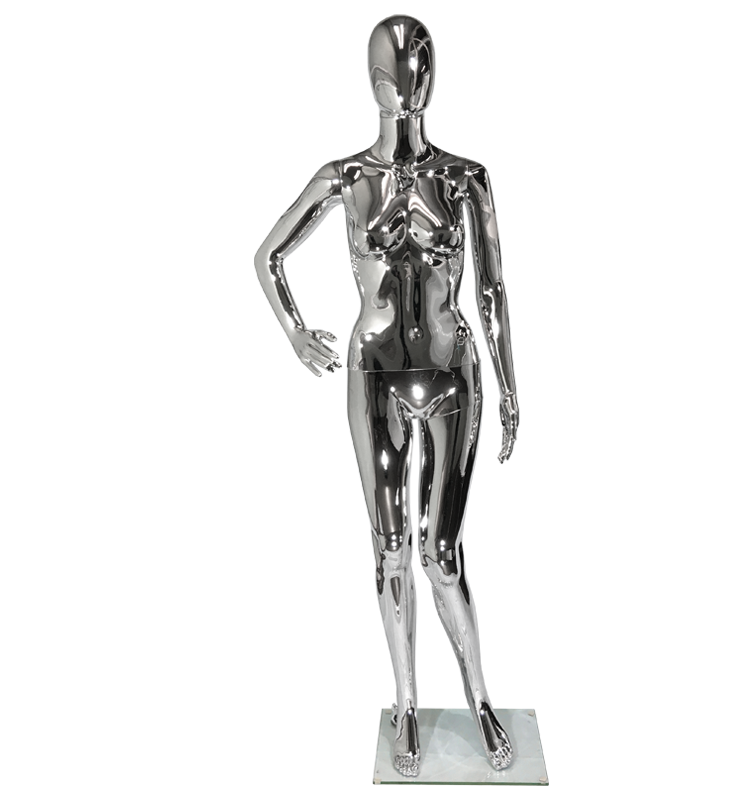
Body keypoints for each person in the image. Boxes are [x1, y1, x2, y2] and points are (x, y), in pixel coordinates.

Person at [255, 15, 519, 777]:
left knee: (442, 551)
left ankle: (479, 698)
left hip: (452, 371)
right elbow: (269, 254)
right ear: (375, 78)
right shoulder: (345, 177)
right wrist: (296, 331)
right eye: (398, 67)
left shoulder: (465, 177)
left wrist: (509, 386)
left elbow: (493, 289)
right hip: (373, 373)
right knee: (391, 548)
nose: (409, 81)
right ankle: (405, 701)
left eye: (419, 64)